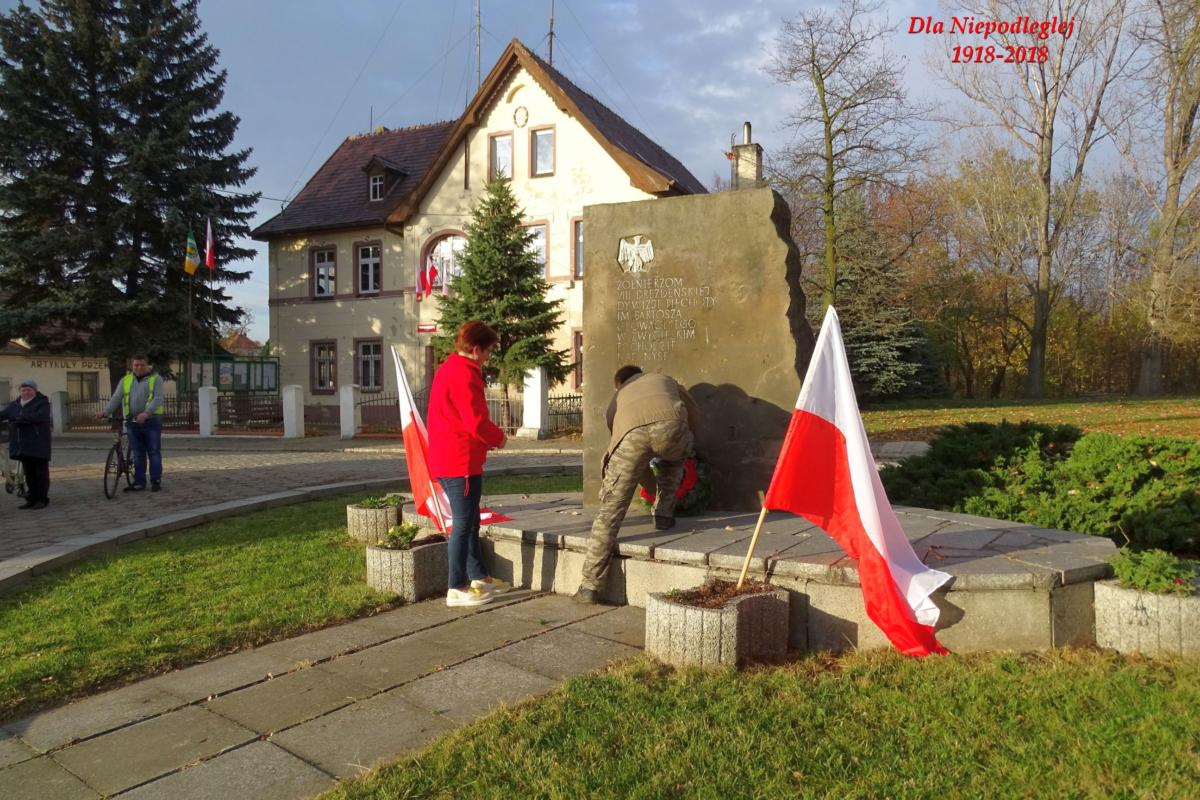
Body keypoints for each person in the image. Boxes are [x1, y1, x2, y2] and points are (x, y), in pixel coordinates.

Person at [574, 365, 700, 604]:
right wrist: (688, 438)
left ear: (619, 383)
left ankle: (590, 586)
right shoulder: (664, 379)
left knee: (610, 511)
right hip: (671, 426)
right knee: (674, 462)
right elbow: (692, 410)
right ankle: (664, 514)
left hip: (630, 435)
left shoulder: (620, 394)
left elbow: (614, 429)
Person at [427, 320, 511, 607]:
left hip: (452, 458)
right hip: (459, 461)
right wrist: (499, 438)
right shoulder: (464, 374)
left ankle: (478, 576)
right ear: (476, 350)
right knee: (463, 525)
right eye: (488, 351)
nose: (489, 356)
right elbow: (475, 421)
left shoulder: (449, 367)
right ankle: (456, 587)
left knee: (471, 521)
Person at [101, 355, 165, 492]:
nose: (139, 367)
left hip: (152, 421)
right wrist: (105, 412)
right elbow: (116, 397)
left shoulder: (156, 379)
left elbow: (158, 398)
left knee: (153, 451)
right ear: (132, 366)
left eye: (142, 365)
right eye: (136, 365)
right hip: (132, 421)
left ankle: (156, 480)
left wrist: (146, 413)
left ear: (147, 365)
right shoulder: (126, 380)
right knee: (138, 453)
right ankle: (139, 482)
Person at [1, 379, 52, 510]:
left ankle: (42, 499)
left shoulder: (42, 403)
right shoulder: (15, 404)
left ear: (35, 391)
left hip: (38, 443)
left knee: (41, 474)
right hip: (22, 445)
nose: (26, 392)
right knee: (29, 474)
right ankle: (31, 499)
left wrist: (20, 418)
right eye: (23, 390)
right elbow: (4, 414)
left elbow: (40, 416)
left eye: (29, 390)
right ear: (20, 392)